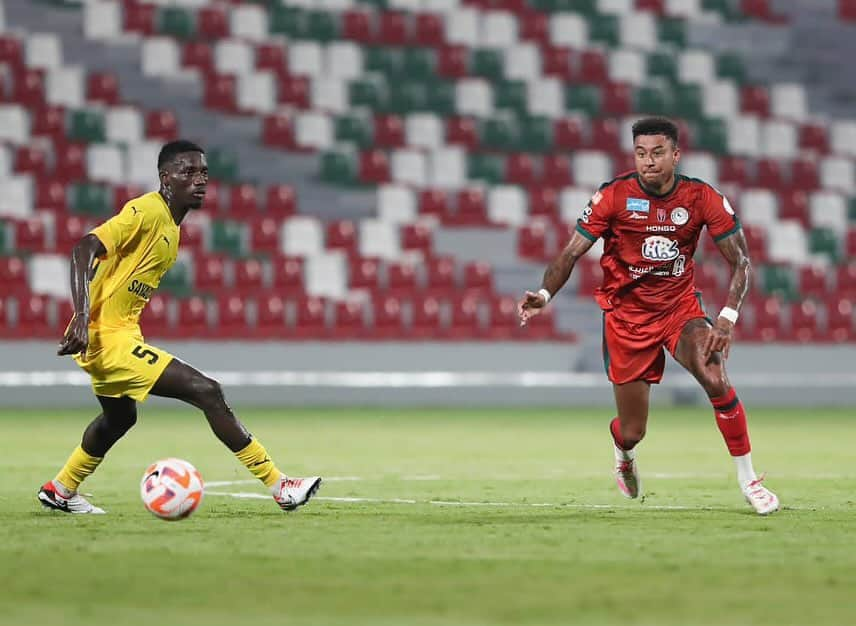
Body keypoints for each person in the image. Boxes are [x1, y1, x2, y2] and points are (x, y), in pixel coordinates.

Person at [38, 140, 321, 514]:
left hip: (115, 335)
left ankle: (60, 488)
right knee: (208, 391)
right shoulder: (147, 210)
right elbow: (84, 247)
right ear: (166, 178)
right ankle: (280, 485)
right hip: (106, 337)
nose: (199, 179)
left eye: (203, 172)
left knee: (120, 418)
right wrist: (82, 317)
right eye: (188, 172)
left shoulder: (172, 230)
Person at [518, 117, 779, 515]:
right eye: (641, 153)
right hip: (626, 319)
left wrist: (726, 317)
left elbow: (741, 260)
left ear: (676, 154)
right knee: (633, 430)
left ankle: (749, 480)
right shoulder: (613, 196)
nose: (648, 162)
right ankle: (623, 454)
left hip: (679, 309)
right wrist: (543, 293)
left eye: (657, 153)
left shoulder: (701, 197)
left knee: (714, 374)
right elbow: (571, 252)